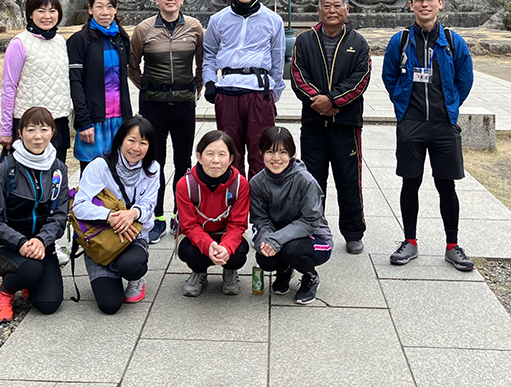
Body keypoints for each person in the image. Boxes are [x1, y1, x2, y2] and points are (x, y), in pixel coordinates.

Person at [381, 0, 476, 271]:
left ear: (440, 3)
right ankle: (409, 241)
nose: (425, 5)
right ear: (410, 5)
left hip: (442, 124)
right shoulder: (400, 40)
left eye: (430, 0)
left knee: (446, 186)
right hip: (411, 122)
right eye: (419, 0)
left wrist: (451, 106)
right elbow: (389, 77)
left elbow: (465, 78)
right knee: (410, 183)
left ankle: (452, 244)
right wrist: (402, 107)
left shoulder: (452, 40)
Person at [290, 0, 371, 254]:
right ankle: (313, 228)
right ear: (319, 9)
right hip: (313, 124)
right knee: (313, 180)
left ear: (347, 9)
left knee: (349, 179)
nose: (332, 10)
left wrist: (334, 101)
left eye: (337, 5)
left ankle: (353, 232)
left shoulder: (358, 42)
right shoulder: (305, 40)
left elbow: (360, 79)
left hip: (346, 125)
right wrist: (320, 102)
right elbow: (298, 76)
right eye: (327, 5)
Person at [127, 0, 205, 244]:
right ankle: (156, 216)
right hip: (153, 105)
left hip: (184, 103)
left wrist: (194, 89)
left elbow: (202, 63)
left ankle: (180, 215)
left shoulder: (194, 27)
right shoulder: (143, 29)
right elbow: (132, 66)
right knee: (154, 162)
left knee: (184, 162)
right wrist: (149, 88)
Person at [0, 106, 68, 323]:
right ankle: (5, 291)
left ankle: (29, 281)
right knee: (30, 269)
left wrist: (41, 240)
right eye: (31, 130)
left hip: (40, 246)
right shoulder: (4, 169)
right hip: (5, 245)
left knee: (49, 304)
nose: (38, 136)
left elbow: (59, 215)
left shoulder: (58, 169)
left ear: (53, 132)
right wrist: (20, 242)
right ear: (20, 133)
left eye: (44, 129)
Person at [203, 0, 286, 178]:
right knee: (231, 153)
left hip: (259, 92)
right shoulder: (218, 20)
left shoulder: (273, 20)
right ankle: (235, 206)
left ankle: (260, 207)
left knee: (262, 153)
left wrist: (274, 93)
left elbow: (278, 60)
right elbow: (209, 53)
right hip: (228, 91)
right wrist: (209, 82)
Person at [71, 115, 159, 314]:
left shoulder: (153, 168)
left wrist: (133, 214)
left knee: (132, 266)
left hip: (132, 236)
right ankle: (106, 266)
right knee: (109, 305)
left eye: (143, 143)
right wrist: (111, 217)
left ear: (150, 146)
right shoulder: (99, 166)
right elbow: (79, 206)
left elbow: (149, 204)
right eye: (131, 140)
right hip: (101, 236)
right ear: (120, 139)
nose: (136, 148)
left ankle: (133, 276)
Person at [249, 126, 333, 305]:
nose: (276, 158)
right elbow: (260, 219)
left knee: (291, 250)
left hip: (314, 239)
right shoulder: (256, 183)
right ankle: (285, 269)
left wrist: (276, 240)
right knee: (263, 257)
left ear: (292, 154)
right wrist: (266, 241)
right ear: (261, 152)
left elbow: (310, 221)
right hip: (280, 237)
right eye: (270, 151)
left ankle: (311, 277)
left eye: (283, 152)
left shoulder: (305, 180)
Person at [175, 130, 250, 297]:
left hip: (226, 233)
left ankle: (230, 271)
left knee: (238, 254)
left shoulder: (240, 185)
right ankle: (199, 272)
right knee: (193, 255)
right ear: (199, 157)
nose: (216, 160)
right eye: (210, 154)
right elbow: (189, 225)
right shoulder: (185, 185)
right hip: (197, 234)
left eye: (222, 154)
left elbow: (238, 225)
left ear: (230, 159)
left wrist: (226, 247)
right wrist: (208, 246)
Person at [0, 0, 71, 162]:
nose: (47, 16)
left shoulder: (61, 42)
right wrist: (6, 130)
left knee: (56, 177)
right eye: (41, 10)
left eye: (52, 11)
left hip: (58, 122)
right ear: (30, 14)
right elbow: (9, 87)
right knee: (28, 182)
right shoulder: (19, 43)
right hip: (30, 124)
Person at [68, 0, 132, 174]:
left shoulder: (120, 38)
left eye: (110, 6)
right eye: (99, 7)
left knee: (119, 177)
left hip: (119, 120)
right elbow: (75, 83)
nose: (105, 12)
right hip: (93, 122)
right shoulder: (79, 40)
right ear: (90, 9)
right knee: (92, 179)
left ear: (116, 9)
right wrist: (84, 121)